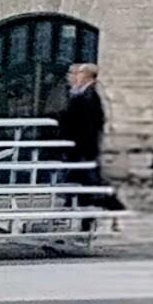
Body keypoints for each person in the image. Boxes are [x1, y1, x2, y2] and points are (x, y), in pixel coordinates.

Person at [49, 61, 118, 208]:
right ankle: (82, 205)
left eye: (78, 73)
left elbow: (88, 122)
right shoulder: (83, 93)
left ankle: (106, 203)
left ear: (86, 76)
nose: (73, 77)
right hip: (83, 145)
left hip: (84, 145)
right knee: (83, 177)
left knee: (87, 176)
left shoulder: (88, 95)